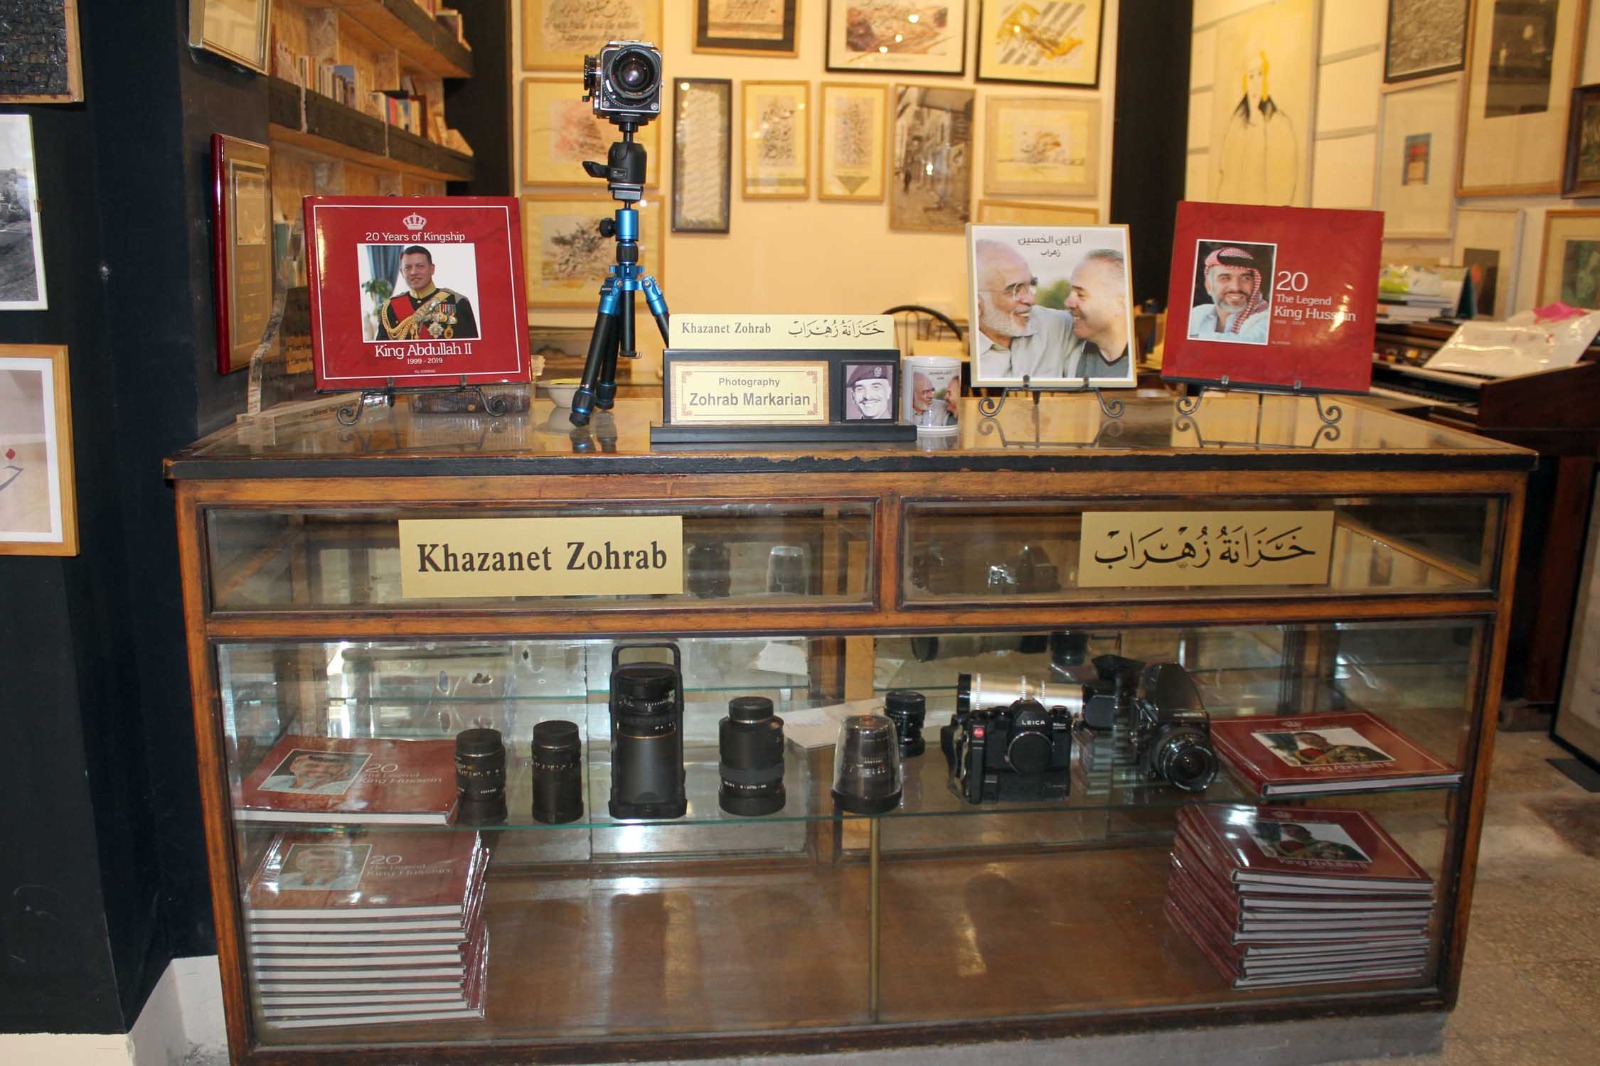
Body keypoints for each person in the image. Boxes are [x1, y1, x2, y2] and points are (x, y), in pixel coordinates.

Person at [972, 239, 1081, 381]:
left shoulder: (1056, 327)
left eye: (1030, 285)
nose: (1031, 300)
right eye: (1015, 290)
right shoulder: (964, 359)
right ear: (977, 303)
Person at [1215, 47, 1298, 205]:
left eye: (1260, 74)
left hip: (1265, 216)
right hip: (1235, 216)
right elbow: (1226, 177)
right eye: (1251, 76)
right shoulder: (1235, 124)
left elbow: (1286, 182)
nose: (1255, 83)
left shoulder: (1280, 124)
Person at [380, 245, 479, 341]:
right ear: (402, 272)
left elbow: (470, 348)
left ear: (432, 269)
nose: (413, 272)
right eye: (408, 268)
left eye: (420, 266)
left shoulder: (457, 302)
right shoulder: (391, 306)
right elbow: (380, 349)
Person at [1062, 248, 1132, 382]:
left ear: (1119, 305)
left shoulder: (1142, 370)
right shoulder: (1073, 361)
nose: (1068, 302)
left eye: (1080, 294)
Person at [1189, 245, 1272, 343]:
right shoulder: (1197, 314)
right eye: (1225, 278)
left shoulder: (1265, 318)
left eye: (1246, 278)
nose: (1236, 287)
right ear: (1209, 286)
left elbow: (1251, 341)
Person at [259, 750, 365, 795]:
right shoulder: (273, 782)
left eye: (332, 767)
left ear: (344, 768)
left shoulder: (344, 787)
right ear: (293, 767)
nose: (321, 771)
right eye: (312, 765)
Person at [279, 845, 363, 891]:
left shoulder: (355, 881)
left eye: (333, 861)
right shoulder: (282, 879)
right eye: (318, 861)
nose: (326, 865)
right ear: (300, 864)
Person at [1287, 730, 1390, 766]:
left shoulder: (1356, 748)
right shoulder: (1303, 755)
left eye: (1311, 738)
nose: (1309, 741)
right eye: (1304, 740)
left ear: (1322, 738)